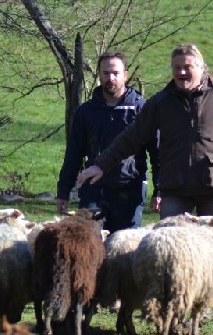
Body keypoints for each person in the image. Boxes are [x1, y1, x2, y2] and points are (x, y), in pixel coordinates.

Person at [76, 43, 213, 220]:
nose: (181, 72)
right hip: (174, 189)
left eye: (187, 67)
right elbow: (131, 137)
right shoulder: (160, 102)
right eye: (176, 67)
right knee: (170, 248)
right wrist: (101, 166)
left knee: (209, 249)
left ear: (201, 68)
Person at [56, 52, 158, 232]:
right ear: (99, 75)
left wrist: (160, 189)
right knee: (89, 245)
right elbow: (73, 154)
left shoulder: (141, 109)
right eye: (105, 73)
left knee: (123, 248)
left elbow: (158, 153)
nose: (110, 78)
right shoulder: (85, 112)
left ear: (125, 75)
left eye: (115, 73)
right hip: (93, 189)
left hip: (130, 189)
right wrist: (63, 192)